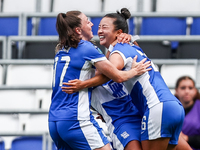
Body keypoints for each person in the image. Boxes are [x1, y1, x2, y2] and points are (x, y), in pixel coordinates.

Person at [62, 8, 192, 150]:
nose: (98, 30)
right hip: (169, 106)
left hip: (154, 108)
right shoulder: (129, 47)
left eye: (104, 27)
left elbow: (109, 74)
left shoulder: (118, 51)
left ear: (119, 33)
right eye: (98, 26)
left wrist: (82, 84)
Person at [48, 10, 151, 150]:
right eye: (87, 21)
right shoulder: (86, 48)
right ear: (78, 30)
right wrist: (135, 71)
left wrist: (125, 38)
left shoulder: (61, 50)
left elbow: (100, 72)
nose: (92, 24)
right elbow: (117, 76)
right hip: (75, 119)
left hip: (54, 121)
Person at [175, 76, 200, 150]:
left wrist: (187, 138)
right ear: (177, 91)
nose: (187, 91)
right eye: (183, 88)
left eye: (190, 88)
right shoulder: (170, 109)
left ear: (195, 90)